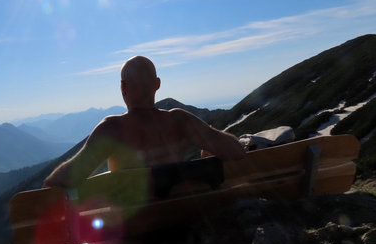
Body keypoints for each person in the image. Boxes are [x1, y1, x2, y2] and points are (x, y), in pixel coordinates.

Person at [43, 56, 245, 188]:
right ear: (157, 84)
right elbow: (236, 150)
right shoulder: (180, 120)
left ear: (123, 88)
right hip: (184, 215)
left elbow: (60, 182)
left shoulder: (112, 129)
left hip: (136, 225)